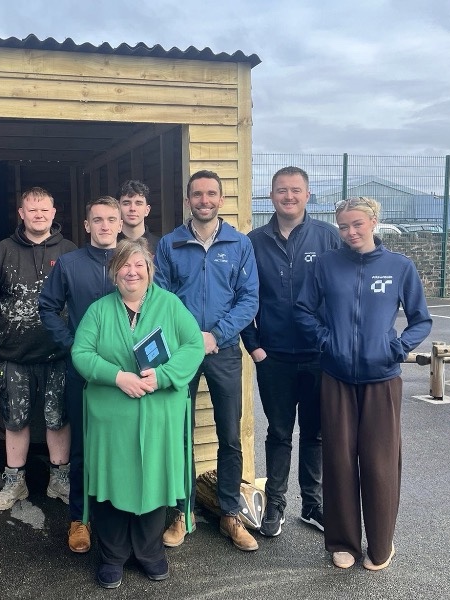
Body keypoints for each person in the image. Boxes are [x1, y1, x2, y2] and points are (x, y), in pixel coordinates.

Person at [295, 196, 432, 571]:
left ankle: (381, 544)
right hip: (336, 377)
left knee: (379, 463)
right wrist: (327, 342)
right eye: (343, 226)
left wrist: (397, 348)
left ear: (373, 221)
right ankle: (343, 542)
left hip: (381, 381)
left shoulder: (399, 266)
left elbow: (421, 319)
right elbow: (303, 310)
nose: (350, 232)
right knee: (338, 461)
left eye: (357, 224)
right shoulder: (326, 265)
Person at [71, 238, 204, 588]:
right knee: (111, 481)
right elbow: (81, 353)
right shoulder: (98, 311)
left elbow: (193, 346)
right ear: (114, 272)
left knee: (153, 479)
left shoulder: (171, 305)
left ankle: (149, 552)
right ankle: (112, 555)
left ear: (149, 270)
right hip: (111, 416)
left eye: (139, 265)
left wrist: (164, 376)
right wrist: (118, 377)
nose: (132, 272)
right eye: (124, 265)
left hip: (159, 413)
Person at [154, 169, 260, 552]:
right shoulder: (169, 244)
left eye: (211, 194)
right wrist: (190, 338)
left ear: (221, 199)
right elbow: (160, 297)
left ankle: (230, 513)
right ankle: (182, 512)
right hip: (181, 353)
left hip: (224, 350)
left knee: (229, 434)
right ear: (188, 200)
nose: (204, 200)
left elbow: (248, 299)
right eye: (197, 194)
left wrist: (215, 335)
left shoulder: (240, 244)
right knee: (179, 432)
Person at [240, 166, 341, 537]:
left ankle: (312, 505)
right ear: (271, 196)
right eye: (282, 190)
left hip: (318, 357)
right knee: (279, 433)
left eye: (296, 190)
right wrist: (254, 347)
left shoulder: (328, 238)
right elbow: (242, 298)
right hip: (274, 357)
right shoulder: (252, 242)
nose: (289, 196)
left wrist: (333, 344)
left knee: (315, 434)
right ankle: (276, 504)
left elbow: (343, 294)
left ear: (307, 194)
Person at [0, 187, 77, 512]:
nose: (39, 215)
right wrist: (14, 324)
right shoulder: (3, 251)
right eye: (32, 210)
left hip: (58, 354)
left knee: (58, 419)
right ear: (21, 214)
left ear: (54, 213)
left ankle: (59, 480)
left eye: (44, 210)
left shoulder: (68, 251)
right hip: (15, 357)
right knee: (15, 420)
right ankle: (14, 483)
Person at [38, 195, 122, 554]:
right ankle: (80, 519)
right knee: (83, 448)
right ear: (87, 226)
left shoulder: (133, 262)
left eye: (111, 219)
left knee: (121, 446)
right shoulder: (69, 264)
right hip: (83, 373)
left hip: (124, 373)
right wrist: (72, 345)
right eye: (97, 220)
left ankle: (121, 517)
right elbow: (47, 306)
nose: (105, 226)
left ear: (121, 224)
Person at [117, 179, 160, 252]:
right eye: (126, 203)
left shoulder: (160, 247)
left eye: (138, 203)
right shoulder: (110, 246)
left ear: (147, 210)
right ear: (118, 208)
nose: (132, 209)